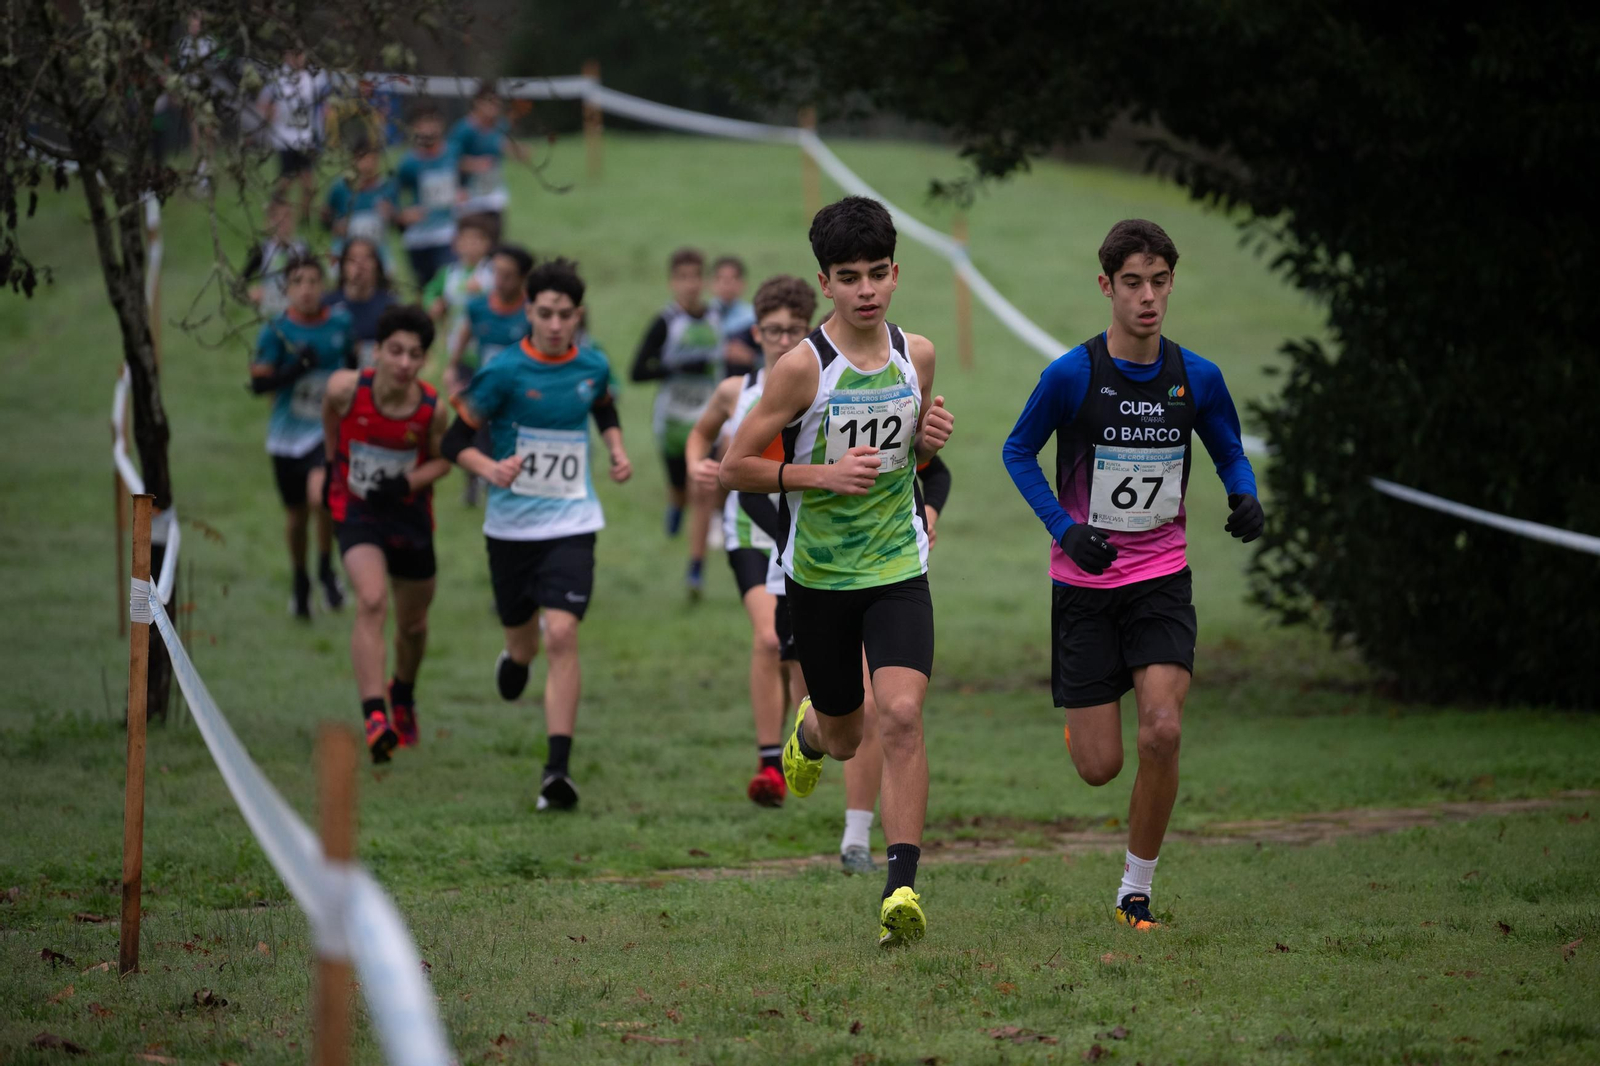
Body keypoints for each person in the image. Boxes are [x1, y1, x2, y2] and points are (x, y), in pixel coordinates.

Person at [1001, 219, 1262, 931]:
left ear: (1172, 283)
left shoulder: (1196, 377)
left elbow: (1229, 451)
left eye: (1160, 282)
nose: (1148, 297)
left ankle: (1134, 890)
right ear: (1107, 287)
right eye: (1133, 283)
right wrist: (1065, 530)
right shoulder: (1071, 375)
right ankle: (1083, 729)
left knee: (1163, 731)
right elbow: (1017, 452)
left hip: (1160, 580)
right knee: (1098, 768)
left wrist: (1246, 494)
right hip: (1084, 587)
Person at [721, 196, 954, 947]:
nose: (867, 290)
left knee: (904, 715)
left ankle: (901, 886)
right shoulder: (801, 370)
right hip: (819, 577)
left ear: (895, 273)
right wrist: (817, 477)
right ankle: (811, 733)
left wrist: (930, 443)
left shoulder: (915, 355)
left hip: (896, 565)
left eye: (879, 274)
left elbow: (911, 459)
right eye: (849, 277)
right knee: (848, 734)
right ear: (826, 282)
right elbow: (735, 467)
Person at [440, 258, 632, 811]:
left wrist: (617, 449)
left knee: (562, 635)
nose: (554, 324)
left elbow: (602, 405)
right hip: (509, 529)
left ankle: (556, 774)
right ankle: (514, 657)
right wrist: (488, 469)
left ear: (578, 316)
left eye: (564, 315)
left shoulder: (592, 365)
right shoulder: (502, 372)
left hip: (573, 522)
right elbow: (453, 442)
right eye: (544, 314)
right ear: (528, 312)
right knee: (527, 643)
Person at [686, 275, 816, 807]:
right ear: (756, 332)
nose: (783, 341)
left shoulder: (819, 386)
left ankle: (803, 747)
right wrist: (699, 464)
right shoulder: (736, 392)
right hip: (750, 530)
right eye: (772, 330)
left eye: (794, 330)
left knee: (799, 653)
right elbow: (700, 433)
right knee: (768, 641)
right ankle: (769, 767)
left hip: (806, 533)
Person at [322, 305, 452, 763]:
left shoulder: (432, 410)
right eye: (394, 351)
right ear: (375, 351)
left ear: (424, 360)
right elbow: (331, 417)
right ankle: (375, 715)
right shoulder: (344, 389)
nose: (403, 363)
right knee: (373, 600)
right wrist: (333, 465)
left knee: (413, 625)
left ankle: (404, 694)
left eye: (414, 355)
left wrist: (407, 483)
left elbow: (445, 460)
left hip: (410, 519)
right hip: (357, 512)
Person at [249, 254, 356, 619]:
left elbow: (355, 369)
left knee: (321, 496)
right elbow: (259, 384)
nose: (307, 290)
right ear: (286, 290)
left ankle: (326, 567)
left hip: (324, 433)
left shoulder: (341, 324)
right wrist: (294, 368)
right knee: (295, 518)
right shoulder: (277, 331)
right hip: (285, 437)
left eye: (314, 281)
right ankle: (300, 578)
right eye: (298, 282)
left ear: (323, 286)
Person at [630, 247, 724, 597]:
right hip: (671, 423)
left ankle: (695, 568)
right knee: (680, 489)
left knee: (702, 489)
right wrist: (678, 367)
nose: (690, 285)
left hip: (707, 419)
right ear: (673, 282)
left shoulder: (717, 317)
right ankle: (673, 502)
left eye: (696, 277)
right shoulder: (666, 322)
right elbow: (637, 371)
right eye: (682, 278)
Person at [447, 84, 531, 243]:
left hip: (494, 196)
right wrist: (474, 164)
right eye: (490, 102)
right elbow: (449, 160)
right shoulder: (463, 130)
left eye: (497, 103)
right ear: (478, 103)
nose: (494, 107)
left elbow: (501, 147)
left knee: (495, 242)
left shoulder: (500, 125)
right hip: (470, 198)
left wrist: (518, 152)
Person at [256, 49, 328, 225]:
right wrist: (269, 116)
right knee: (285, 183)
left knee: (309, 184)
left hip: (306, 139)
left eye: (300, 54)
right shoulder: (277, 78)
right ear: (286, 56)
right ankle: (274, 214)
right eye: (293, 54)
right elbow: (263, 104)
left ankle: (304, 219)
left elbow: (324, 104)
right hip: (285, 139)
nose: (298, 59)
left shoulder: (315, 77)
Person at [449, 242, 533, 390]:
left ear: (523, 277)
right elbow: (464, 335)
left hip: (521, 387)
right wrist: (452, 368)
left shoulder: (533, 312)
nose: (499, 281)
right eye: (495, 272)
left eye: (508, 276)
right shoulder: (477, 307)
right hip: (486, 386)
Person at [422, 215, 496, 380]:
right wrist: (433, 304)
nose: (470, 244)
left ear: (488, 244)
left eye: (476, 239)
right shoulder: (448, 274)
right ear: (455, 243)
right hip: (455, 343)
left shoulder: (493, 273)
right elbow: (431, 291)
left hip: (486, 342)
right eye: (465, 239)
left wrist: (485, 292)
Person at [395, 104, 460, 290]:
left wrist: (464, 194)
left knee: (448, 286)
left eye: (432, 122)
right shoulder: (408, 163)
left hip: (448, 233)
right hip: (419, 237)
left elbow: (466, 178)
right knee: (424, 290)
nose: (428, 128)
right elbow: (391, 193)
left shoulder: (453, 152)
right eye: (422, 123)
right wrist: (402, 214)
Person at [324, 238, 398, 369]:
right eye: (352, 258)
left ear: (377, 264)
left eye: (367, 258)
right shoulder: (327, 305)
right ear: (343, 266)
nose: (360, 264)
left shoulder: (390, 306)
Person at [322, 143, 395, 266]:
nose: (367, 164)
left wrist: (391, 214)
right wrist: (335, 225)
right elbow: (324, 217)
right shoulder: (340, 189)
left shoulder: (386, 187)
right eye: (363, 159)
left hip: (379, 252)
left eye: (372, 159)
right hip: (345, 253)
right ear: (353, 160)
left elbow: (396, 220)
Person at [243, 194, 308, 320]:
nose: (283, 223)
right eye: (277, 218)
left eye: (287, 217)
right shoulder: (263, 250)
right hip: (271, 312)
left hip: (297, 311)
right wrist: (252, 293)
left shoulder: (302, 248)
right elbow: (241, 282)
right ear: (268, 222)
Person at [710, 255, 758, 374]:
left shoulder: (753, 317)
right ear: (712, 283)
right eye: (721, 278)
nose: (727, 284)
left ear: (743, 284)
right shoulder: (703, 316)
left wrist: (751, 358)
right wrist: (722, 352)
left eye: (733, 279)